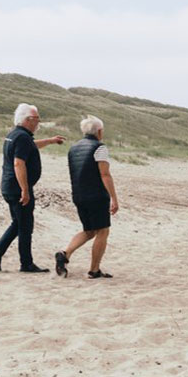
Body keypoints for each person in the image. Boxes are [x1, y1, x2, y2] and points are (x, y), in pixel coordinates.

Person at [0, 103, 66, 273]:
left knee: (19, 223)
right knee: (25, 226)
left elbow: (31, 146)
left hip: (9, 186)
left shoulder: (15, 135)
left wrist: (51, 141)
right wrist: (25, 189)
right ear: (28, 120)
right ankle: (25, 263)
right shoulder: (22, 137)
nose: (39, 123)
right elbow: (18, 163)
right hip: (17, 189)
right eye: (37, 119)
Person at [55, 115, 120, 279]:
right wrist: (114, 198)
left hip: (78, 195)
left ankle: (65, 254)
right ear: (99, 131)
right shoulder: (100, 148)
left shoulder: (73, 148)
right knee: (103, 231)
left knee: (89, 230)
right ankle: (94, 270)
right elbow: (105, 174)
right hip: (96, 196)